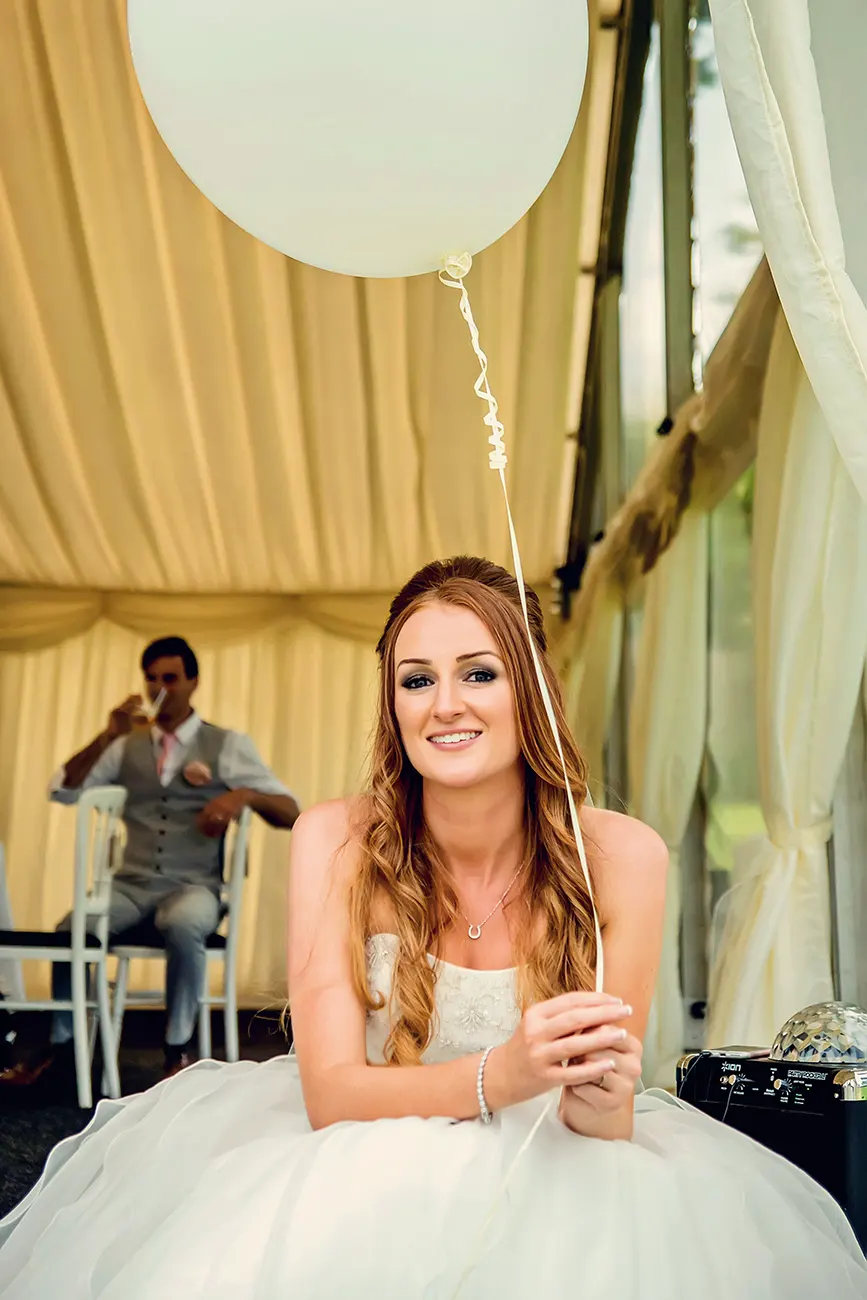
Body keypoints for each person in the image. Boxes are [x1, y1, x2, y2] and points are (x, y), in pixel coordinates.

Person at [0, 559, 864, 1298]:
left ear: (531, 687)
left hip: (559, 1165)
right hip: (353, 1156)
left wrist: (594, 1095)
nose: (444, 704)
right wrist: (506, 1071)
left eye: (478, 672)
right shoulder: (334, 840)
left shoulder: (624, 856)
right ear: (393, 703)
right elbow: (333, 1094)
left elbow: (601, 1124)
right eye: (416, 679)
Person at [1, 635, 299, 1087]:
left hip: (194, 884)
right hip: (131, 882)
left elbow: (291, 811)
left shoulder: (227, 745)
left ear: (193, 682)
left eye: (171, 678)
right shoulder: (125, 745)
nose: (161, 686)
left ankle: (176, 1048)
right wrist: (108, 735)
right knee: (71, 928)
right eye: (152, 678)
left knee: (182, 922)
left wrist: (242, 794)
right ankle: (65, 1049)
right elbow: (62, 790)